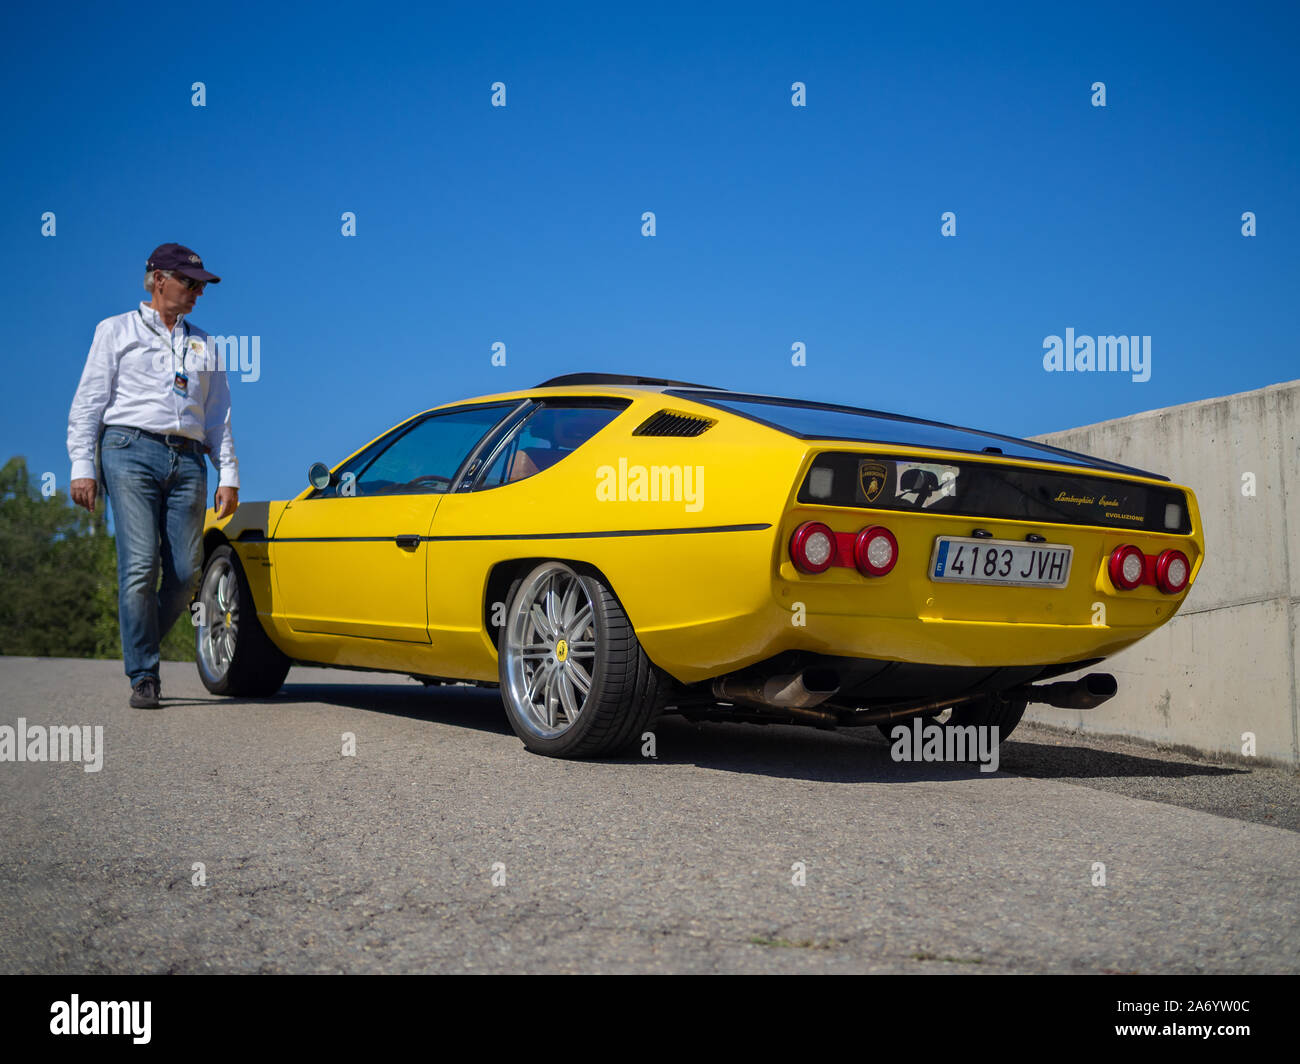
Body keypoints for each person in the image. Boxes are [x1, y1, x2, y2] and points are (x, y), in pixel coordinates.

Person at [67, 243, 240, 709]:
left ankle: (141, 640)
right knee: (140, 566)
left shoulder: (206, 344)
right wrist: (83, 466)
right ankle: (144, 673)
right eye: (190, 282)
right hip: (128, 451)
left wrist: (229, 475)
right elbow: (88, 404)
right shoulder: (115, 330)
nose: (197, 293)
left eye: (201, 286)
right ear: (159, 279)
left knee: (186, 576)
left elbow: (219, 416)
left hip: (188, 460)